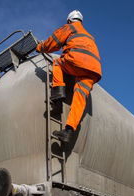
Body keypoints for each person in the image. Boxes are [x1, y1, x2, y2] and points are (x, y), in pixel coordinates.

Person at [36, 10, 102, 143]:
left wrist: (40, 47)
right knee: (80, 96)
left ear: (69, 20)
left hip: (76, 59)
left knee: (57, 63)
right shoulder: (89, 36)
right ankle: (69, 130)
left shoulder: (70, 27)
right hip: (93, 69)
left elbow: (53, 42)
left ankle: (58, 94)